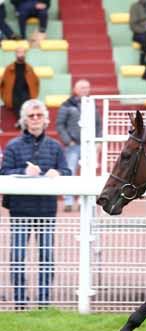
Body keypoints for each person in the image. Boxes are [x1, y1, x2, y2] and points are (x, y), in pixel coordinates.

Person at [0, 99, 72, 309]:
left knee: (46, 256)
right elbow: (3, 172)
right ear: (25, 119)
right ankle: (20, 303)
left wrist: (57, 173)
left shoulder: (55, 146)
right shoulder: (13, 146)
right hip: (20, 210)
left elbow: (67, 171)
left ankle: (43, 303)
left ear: (45, 119)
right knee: (17, 256)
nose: (35, 119)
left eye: (39, 115)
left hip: (46, 210)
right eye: (31, 116)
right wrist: (24, 172)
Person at [55, 79, 101, 212]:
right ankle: (68, 202)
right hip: (73, 145)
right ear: (75, 90)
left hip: (89, 145)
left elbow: (98, 124)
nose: (85, 90)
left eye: (87, 87)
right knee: (70, 172)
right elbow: (60, 125)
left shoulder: (92, 104)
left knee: (88, 173)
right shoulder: (67, 105)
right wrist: (68, 141)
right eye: (82, 88)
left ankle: (83, 201)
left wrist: (98, 141)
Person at [0, 47, 39, 120]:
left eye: (23, 52)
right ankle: (21, 121)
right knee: (16, 103)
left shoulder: (29, 68)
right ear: (15, 54)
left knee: (26, 105)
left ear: (25, 54)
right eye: (19, 52)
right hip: (13, 95)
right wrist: (5, 98)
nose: (21, 55)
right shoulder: (9, 68)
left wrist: (34, 96)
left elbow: (36, 83)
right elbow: (2, 84)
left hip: (26, 95)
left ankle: (22, 121)